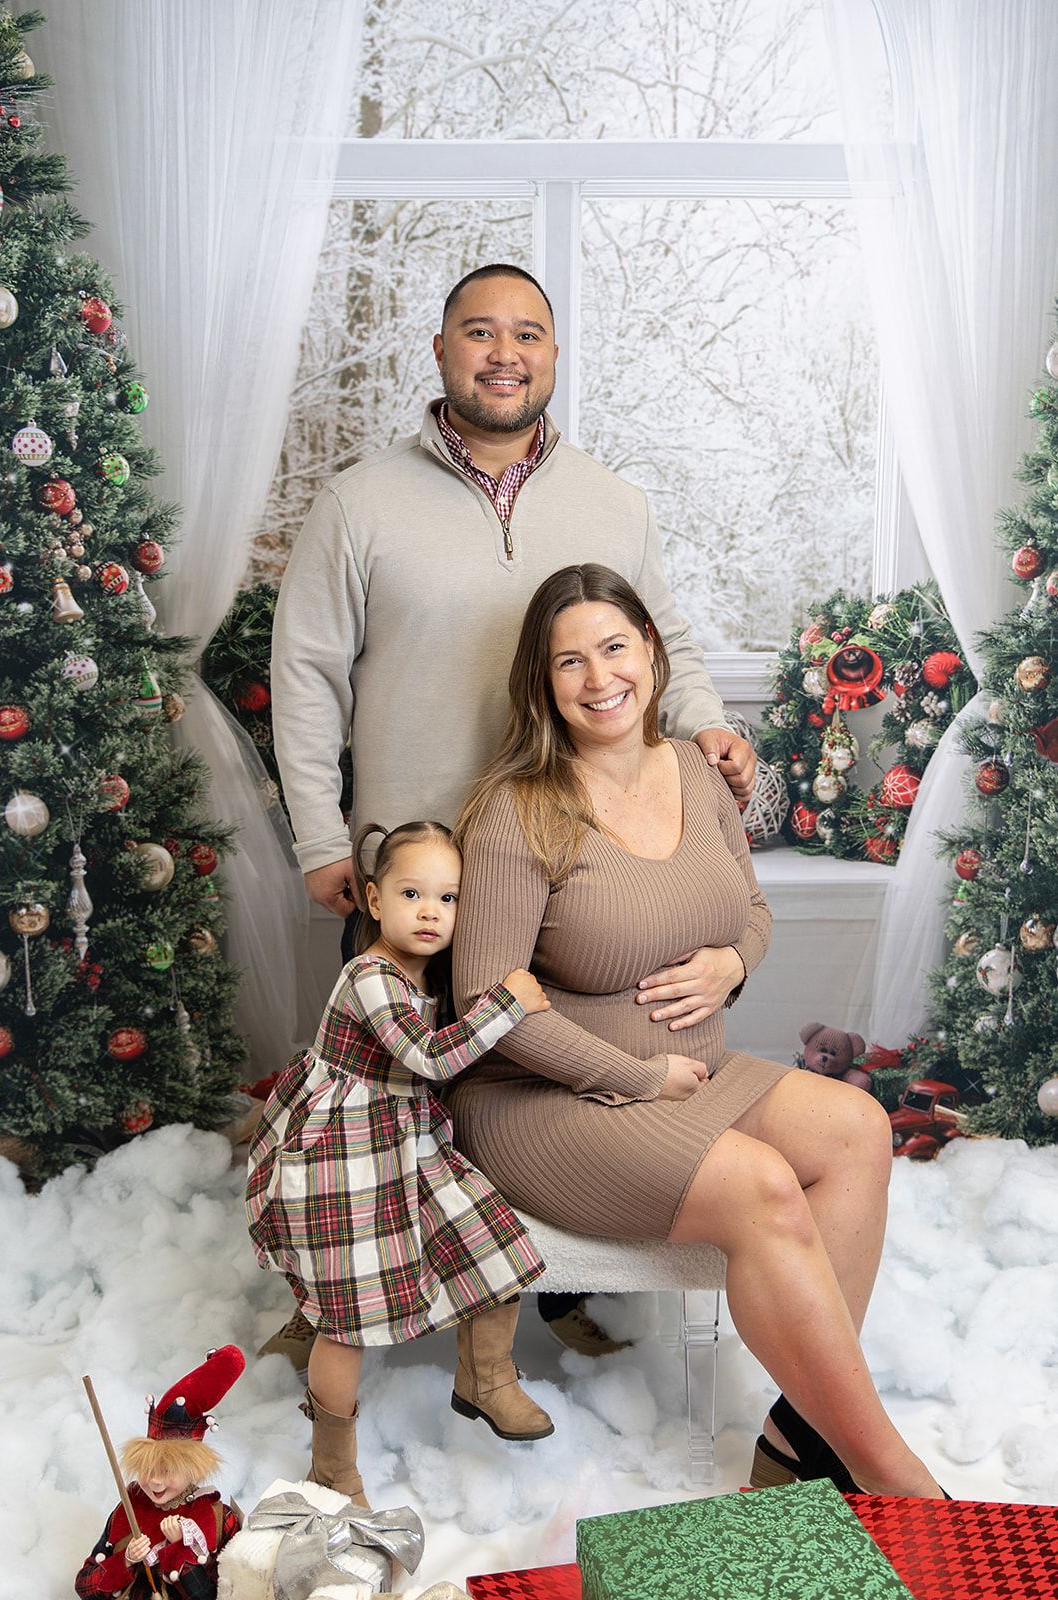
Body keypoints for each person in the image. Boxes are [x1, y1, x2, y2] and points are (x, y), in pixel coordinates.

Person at [268, 261, 756, 1362]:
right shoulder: (359, 501)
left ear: (552, 355)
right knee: (383, 1094)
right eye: (479, 333)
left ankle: (553, 1281)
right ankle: (329, 1309)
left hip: (565, 858)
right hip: (416, 870)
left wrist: (711, 724)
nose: (504, 354)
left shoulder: (609, 499)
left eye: (527, 335)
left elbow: (654, 636)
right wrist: (314, 837)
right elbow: (304, 676)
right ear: (440, 352)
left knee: (547, 1065)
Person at [449, 563, 947, 1499]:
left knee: (857, 1128)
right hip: (544, 1098)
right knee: (762, 1188)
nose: (598, 679)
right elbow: (485, 1003)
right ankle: (890, 1474)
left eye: (613, 647)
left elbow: (749, 907)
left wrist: (732, 963)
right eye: (568, 662)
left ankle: (799, 1441)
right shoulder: (519, 808)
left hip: (689, 1070)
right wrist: (632, 1080)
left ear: (652, 652)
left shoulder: (691, 768)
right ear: (540, 682)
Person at [245, 820, 554, 1510]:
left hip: (405, 1139)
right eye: (412, 892)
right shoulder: (370, 976)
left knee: (492, 1242)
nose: (429, 911)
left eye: (447, 899)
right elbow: (430, 1058)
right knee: (347, 1320)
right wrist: (510, 1003)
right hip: (341, 1154)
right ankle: (333, 1466)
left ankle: (486, 1378)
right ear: (375, 900)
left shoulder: (425, 974)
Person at [76, 1346, 245, 1599]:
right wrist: (126, 1561)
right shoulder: (129, 1509)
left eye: (167, 1471)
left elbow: (224, 1594)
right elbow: (84, 1587)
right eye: (147, 1469)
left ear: (193, 1469)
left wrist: (179, 1550)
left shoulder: (219, 1518)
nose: (154, 1480)